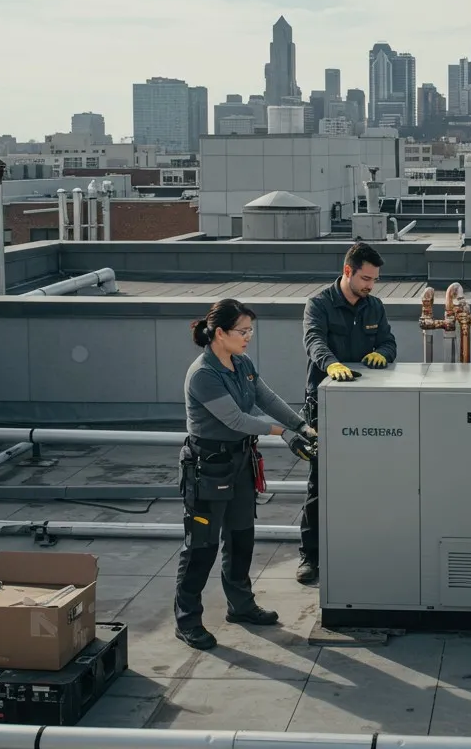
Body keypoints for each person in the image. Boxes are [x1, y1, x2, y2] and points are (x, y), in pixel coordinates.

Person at [176, 299, 317, 650]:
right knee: (201, 548)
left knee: (241, 539)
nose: (248, 337)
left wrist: (302, 425)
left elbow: (264, 398)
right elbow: (236, 419)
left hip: (239, 465)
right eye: (242, 331)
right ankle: (187, 619)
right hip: (209, 468)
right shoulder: (203, 374)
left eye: (251, 330)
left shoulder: (242, 363)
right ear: (219, 333)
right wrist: (282, 433)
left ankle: (240, 605)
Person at [297, 242, 397, 584]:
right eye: (366, 278)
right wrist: (332, 365)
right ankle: (310, 557)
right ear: (347, 272)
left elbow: (389, 342)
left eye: (375, 279)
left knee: (367, 480)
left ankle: (360, 549)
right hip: (325, 407)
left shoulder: (375, 307)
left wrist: (383, 353)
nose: (370, 285)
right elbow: (314, 342)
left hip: (366, 407)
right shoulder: (319, 304)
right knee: (321, 483)